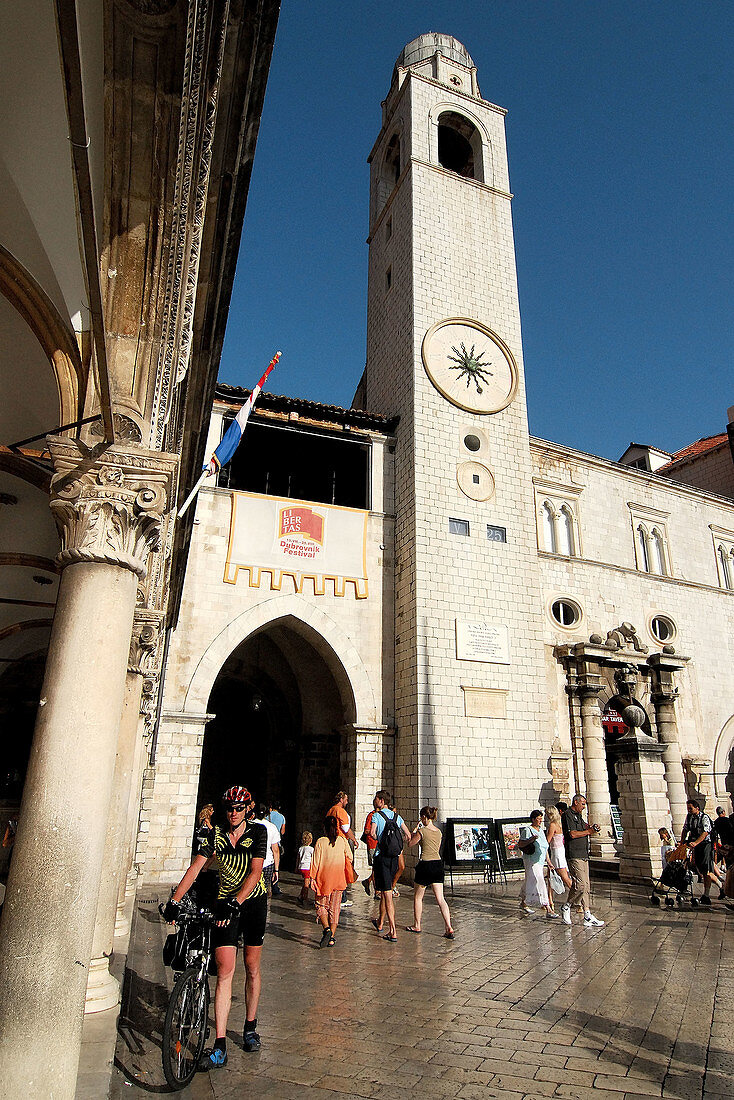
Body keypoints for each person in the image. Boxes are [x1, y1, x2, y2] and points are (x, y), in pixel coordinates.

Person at [163, 785, 267, 1068]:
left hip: (253, 902)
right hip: (225, 904)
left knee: (252, 966)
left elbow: (256, 871)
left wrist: (239, 900)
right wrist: (174, 900)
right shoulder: (216, 834)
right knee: (224, 971)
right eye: (229, 808)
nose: (233, 813)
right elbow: (196, 867)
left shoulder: (258, 832)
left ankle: (249, 1027)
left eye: (238, 808)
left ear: (248, 809)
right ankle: (219, 1044)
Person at [405, 806, 454, 937]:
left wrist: (415, 830)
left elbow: (410, 843)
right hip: (437, 864)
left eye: (422, 817)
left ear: (424, 817)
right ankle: (448, 926)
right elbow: (435, 848)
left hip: (425, 864)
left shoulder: (422, 831)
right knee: (441, 898)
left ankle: (417, 925)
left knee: (418, 897)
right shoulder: (439, 832)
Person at [369, 790, 411, 941]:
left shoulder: (376, 816)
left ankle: (393, 931)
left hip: (382, 858)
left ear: (381, 801)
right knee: (387, 891)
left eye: (376, 799)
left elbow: (372, 833)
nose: (375, 801)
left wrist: (380, 839)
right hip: (394, 858)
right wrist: (397, 844)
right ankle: (380, 923)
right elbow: (408, 835)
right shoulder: (397, 816)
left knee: (387, 893)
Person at [560, 794, 605, 927]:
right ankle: (567, 906)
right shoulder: (567, 814)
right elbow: (572, 834)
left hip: (584, 853)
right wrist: (589, 831)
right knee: (580, 884)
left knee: (586, 886)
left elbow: (585, 827)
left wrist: (592, 827)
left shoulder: (579, 816)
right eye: (583, 804)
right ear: (576, 802)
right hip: (574, 854)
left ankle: (587, 914)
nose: (584, 807)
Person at [309, 815, 354, 946]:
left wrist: (312, 877)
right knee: (335, 909)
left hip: (324, 880)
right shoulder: (342, 841)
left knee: (321, 906)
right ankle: (332, 938)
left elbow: (315, 862)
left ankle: (327, 929)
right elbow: (350, 857)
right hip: (339, 879)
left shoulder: (321, 842)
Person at [518, 809, 559, 920]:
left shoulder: (541, 830)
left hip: (540, 861)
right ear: (533, 819)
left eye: (541, 818)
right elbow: (520, 844)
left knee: (529, 880)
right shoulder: (528, 830)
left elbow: (544, 847)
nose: (540, 820)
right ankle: (547, 907)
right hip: (531, 860)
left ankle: (523, 902)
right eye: (538, 818)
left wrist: (549, 862)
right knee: (539, 880)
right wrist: (531, 839)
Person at [326, 791, 359, 906]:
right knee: (344, 868)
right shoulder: (340, 811)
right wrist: (354, 839)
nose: (347, 801)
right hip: (341, 840)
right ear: (341, 799)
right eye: (346, 799)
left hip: (330, 840)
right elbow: (345, 828)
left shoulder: (330, 810)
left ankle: (333, 895)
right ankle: (342, 898)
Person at [681, 799, 716, 904]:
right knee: (699, 868)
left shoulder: (704, 817)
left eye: (690, 808)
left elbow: (705, 832)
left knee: (706, 869)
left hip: (705, 844)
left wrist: (696, 843)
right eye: (688, 808)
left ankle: (706, 895)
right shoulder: (689, 817)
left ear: (697, 808)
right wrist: (682, 843)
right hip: (696, 845)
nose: (689, 810)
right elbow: (685, 829)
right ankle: (721, 886)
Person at [252, 803, 281, 896]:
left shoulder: (250, 825)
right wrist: (276, 870)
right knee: (263, 891)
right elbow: (275, 850)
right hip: (267, 863)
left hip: (251, 861)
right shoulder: (272, 827)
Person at [546, 805, 573, 896]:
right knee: (550, 877)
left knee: (565, 877)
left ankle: (579, 900)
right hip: (560, 850)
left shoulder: (553, 825)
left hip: (556, 852)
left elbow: (547, 841)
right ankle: (549, 901)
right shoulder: (560, 824)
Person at [267, 800, 286, 896]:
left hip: (267, 842)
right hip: (276, 842)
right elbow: (282, 832)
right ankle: (275, 886)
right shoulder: (282, 817)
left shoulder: (268, 816)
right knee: (275, 864)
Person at [360, 797, 379, 895]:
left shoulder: (380, 815)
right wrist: (375, 830)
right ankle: (377, 892)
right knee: (376, 868)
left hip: (379, 844)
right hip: (372, 844)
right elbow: (366, 830)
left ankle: (368, 881)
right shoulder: (371, 815)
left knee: (377, 868)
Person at [297, 831, 314, 905]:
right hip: (307, 867)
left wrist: (296, 867)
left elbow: (298, 858)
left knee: (305, 882)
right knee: (307, 884)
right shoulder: (311, 849)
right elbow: (313, 859)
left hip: (301, 867)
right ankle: (305, 898)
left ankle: (301, 895)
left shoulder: (300, 848)